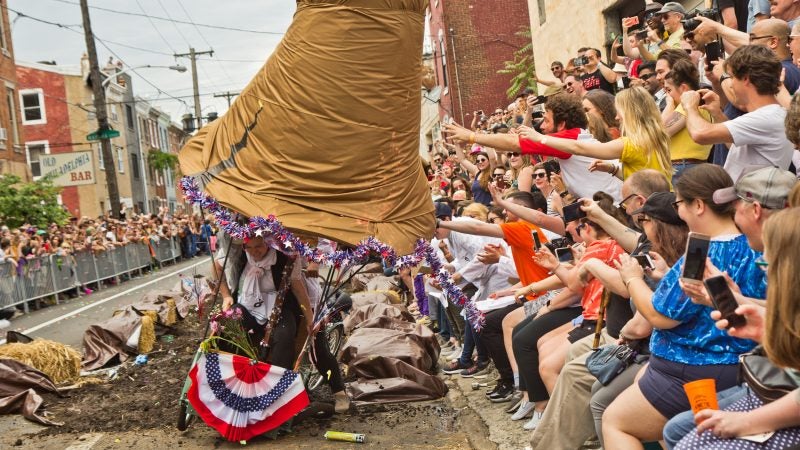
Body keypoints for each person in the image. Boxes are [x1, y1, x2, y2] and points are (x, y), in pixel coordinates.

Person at [602, 164, 767, 448]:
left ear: (699, 205)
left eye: (679, 203)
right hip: (743, 366)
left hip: (693, 367)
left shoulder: (702, 249)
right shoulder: (755, 243)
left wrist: (631, 279)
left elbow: (660, 316)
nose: (679, 212)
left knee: (616, 422)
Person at [670, 207, 800, 449]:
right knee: (679, 432)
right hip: (771, 389)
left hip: (778, 398)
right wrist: (768, 333)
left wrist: (745, 422)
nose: (764, 268)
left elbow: (661, 317)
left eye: (767, 263)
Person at [442, 94, 622, 201]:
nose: (542, 127)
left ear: (561, 125)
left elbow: (514, 144)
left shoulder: (568, 138)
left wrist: (471, 136)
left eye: (547, 120)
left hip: (616, 205)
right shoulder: (573, 136)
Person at [519, 87, 673, 189]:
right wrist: (612, 169)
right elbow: (640, 175)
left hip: (650, 207)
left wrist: (540, 138)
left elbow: (578, 148)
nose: (617, 117)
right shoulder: (654, 136)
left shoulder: (631, 143)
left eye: (619, 112)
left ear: (631, 113)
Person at [681, 45, 794, 181]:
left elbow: (699, 134)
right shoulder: (771, 114)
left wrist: (689, 106)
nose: (731, 84)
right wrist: (717, 113)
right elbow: (737, 147)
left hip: (750, 199)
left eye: (732, 77)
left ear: (746, 79)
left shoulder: (767, 117)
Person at [662, 59, 713, 183]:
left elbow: (661, 131)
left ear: (683, 88)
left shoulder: (688, 105)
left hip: (683, 167)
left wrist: (669, 105)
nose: (667, 96)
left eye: (669, 90)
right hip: (694, 166)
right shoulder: (702, 103)